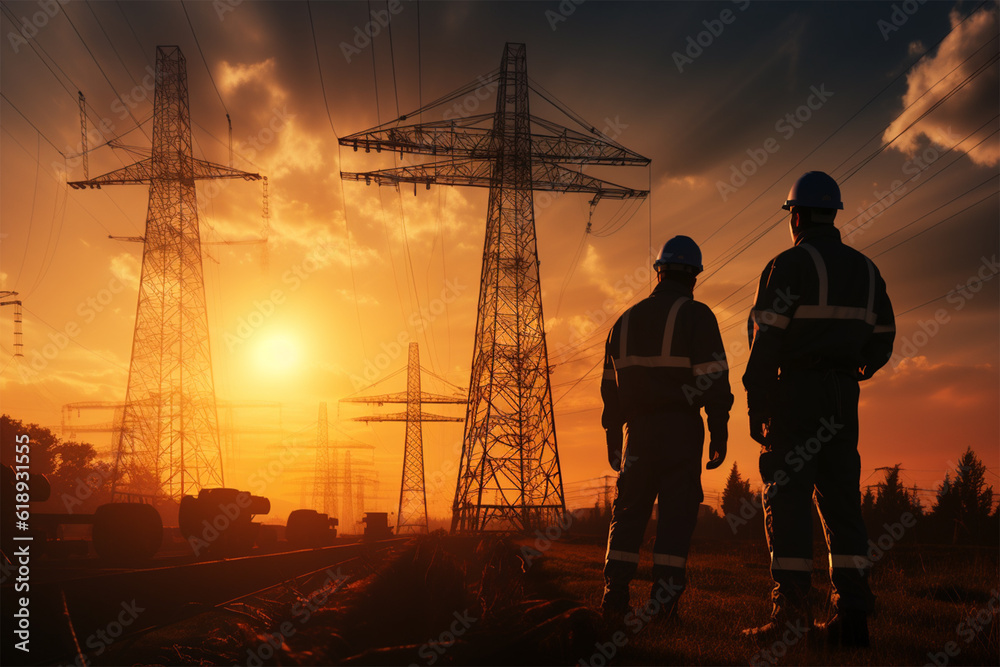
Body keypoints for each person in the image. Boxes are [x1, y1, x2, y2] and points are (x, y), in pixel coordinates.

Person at [741, 171, 895, 648]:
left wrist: (757, 404)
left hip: (797, 394)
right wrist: (856, 370)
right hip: (842, 396)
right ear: (835, 214)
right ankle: (852, 619)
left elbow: (765, 342)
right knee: (842, 502)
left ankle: (789, 616)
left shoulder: (787, 267)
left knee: (787, 501)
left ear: (798, 216)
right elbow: (884, 339)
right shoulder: (867, 270)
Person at [600, 236, 733, 623]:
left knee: (628, 516)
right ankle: (663, 606)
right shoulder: (698, 316)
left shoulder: (624, 321)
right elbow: (714, 380)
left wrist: (613, 435)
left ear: (658, 271)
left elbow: (610, 389)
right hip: (681, 432)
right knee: (676, 519)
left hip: (637, 434)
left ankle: (614, 597)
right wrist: (719, 430)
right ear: (693, 276)